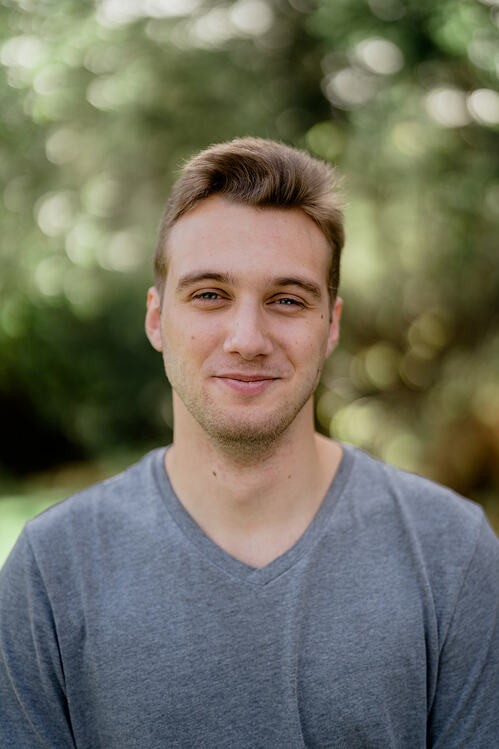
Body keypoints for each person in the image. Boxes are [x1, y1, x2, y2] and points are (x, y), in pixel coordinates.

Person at [0, 137, 498, 749]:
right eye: (210, 295)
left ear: (331, 326)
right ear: (156, 318)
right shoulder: (52, 572)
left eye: (287, 300)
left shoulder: (452, 554)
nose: (246, 338)